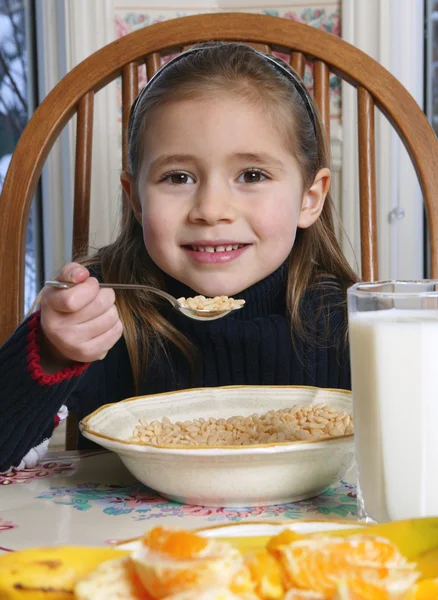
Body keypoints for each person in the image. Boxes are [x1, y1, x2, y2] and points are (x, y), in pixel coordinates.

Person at [0, 42, 357, 473]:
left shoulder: (348, 319)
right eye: (178, 177)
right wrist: (51, 350)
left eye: (252, 175)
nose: (210, 209)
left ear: (309, 198)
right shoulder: (104, 311)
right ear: (136, 200)